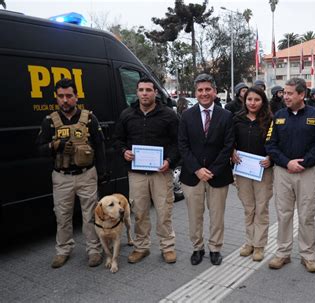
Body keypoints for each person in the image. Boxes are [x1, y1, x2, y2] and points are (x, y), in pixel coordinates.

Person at [36, 78, 106, 268]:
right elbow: (39, 149)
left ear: (76, 96)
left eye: (69, 96)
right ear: (56, 98)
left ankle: (94, 250)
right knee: (62, 215)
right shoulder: (50, 121)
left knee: (91, 215)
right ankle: (63, 250)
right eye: (61, 96)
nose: (65, 100)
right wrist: (55, 145)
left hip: (87, 174)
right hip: (62, 177)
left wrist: (102, 173)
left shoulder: (89, 118)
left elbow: (99, 146)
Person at [113, 77, 179, 264]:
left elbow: (177, 143)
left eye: (148, 90)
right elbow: (117, 139)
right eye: (141, 90)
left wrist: (169, 160)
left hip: (161, 173)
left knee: (164, 211)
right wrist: (124, 151)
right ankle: (141, 247)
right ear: (137, 92)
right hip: (137, 174)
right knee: (140, 212)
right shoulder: (127, 115)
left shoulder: (168, 115)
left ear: (155, 92)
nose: (144, 93)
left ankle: (167, 247)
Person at [265, 77, 315, 273]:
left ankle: (308, 255)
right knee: (284, 214)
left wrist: (303, 162)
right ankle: (282, 253)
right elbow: (270, 144)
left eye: (290, 93)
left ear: (302, 94)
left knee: (306, 215)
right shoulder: (278, 116)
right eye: (285, 93)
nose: (286, 96)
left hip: (307, 173)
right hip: (283, 172)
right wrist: (286, 162)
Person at [178, 73, 234, 266]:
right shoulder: (186, 115)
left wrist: (212, 170)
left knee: (217, 215)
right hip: (192, 176)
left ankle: (215, 248)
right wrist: (197, 169)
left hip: (218, 176)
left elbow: (228, 146)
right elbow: (182, 145)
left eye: (208, 89)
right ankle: (197, 248)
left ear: (215, 91)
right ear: (196, 92)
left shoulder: (226, 116)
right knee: (195, 215)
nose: (204, 93)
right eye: (200, 90)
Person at [232, 86, 273, 262]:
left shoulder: (270, 120)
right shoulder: (237, 119)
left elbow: (275, 142)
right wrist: (232, 152)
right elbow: (230, 140)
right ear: (244, 100)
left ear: (262, 101)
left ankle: (259, 245)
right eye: (249, 99)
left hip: (263, 171)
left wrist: (271, 158)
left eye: (256, 99)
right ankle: (249, 242)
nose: (252, 103)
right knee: (249, 208)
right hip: (242, 170)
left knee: (261, 209)